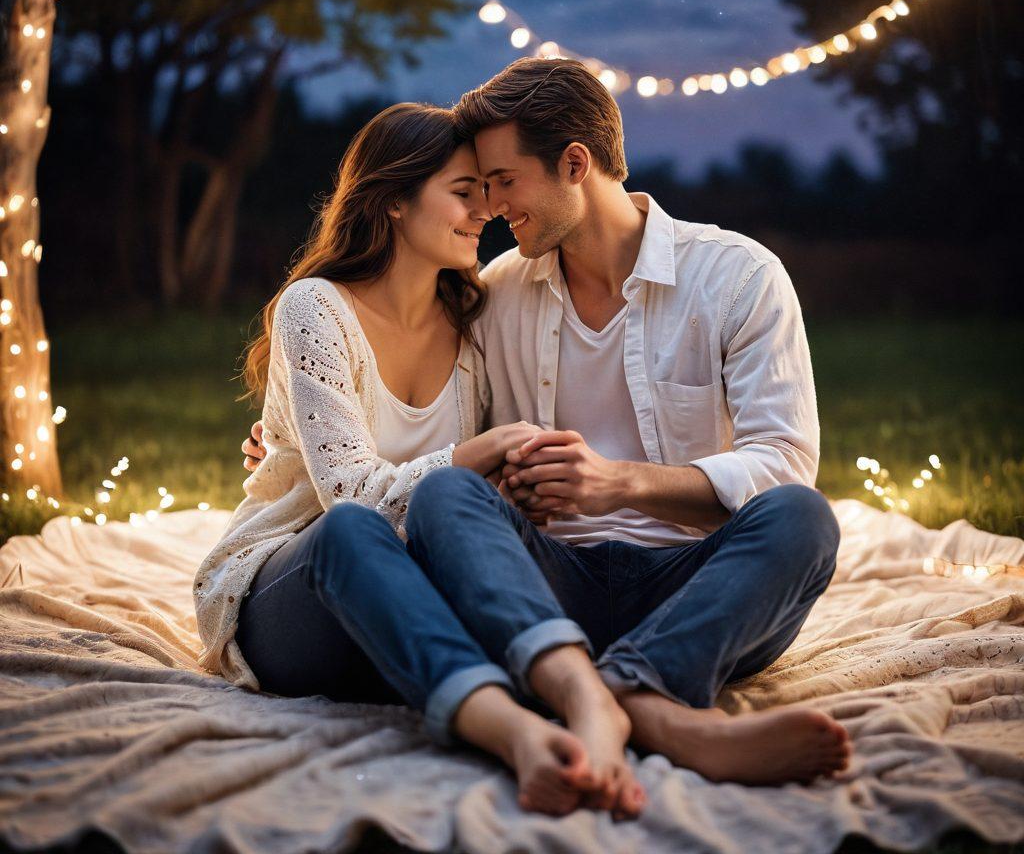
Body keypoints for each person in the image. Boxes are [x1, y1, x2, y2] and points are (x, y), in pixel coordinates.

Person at [247, 58, 852, 787]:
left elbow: (784, 461)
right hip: (540, 586)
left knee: (803, 517)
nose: (492, 206)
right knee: (447, 496)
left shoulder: (737, 278)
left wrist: (620, 485)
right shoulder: (492, 297)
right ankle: (627, 704)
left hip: (692, 595)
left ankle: (638, 688)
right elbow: (410, 453)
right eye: (473, 188)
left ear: (573, 163)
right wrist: (281, 437)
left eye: (500, 181)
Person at [195, 102, 646, 818]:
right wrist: (475, 452)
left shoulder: (472, 327)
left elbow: (478, 494)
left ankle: (614, 706)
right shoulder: (316, 308)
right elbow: (349, 494)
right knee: (352, 530)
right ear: (396, 201)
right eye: (464, 193)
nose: (486, 213)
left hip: (417, 595)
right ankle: (514, 732)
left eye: (488, 194)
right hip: (294, 592)